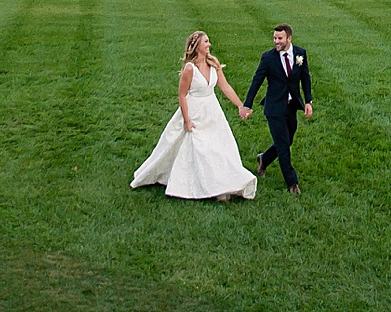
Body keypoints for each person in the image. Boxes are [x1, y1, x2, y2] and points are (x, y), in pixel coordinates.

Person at [131, 31, 258, 201]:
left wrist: (240, 106)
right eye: (206, 42)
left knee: (218, 147)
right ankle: (192, 183)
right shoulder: (189, 69)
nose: (209, 44)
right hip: (194, 111)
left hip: (212, 112)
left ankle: (220, 185)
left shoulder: (213, 63)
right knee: (199, 147)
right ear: (197, 45)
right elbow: (182, 95)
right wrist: (187, 120)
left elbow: (225, 86)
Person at [244, 22, 313, 194]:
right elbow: (257, 80)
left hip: (291, 106)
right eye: (274, 38)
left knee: (287, 140)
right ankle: (292, 182)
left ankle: (264, 159)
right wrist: (247, 104)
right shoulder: (268, 58)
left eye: (280, 38)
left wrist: (308, 101)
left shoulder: (300, 54)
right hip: (274, 107)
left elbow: (305, 78)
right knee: (283, 145)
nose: (276, 42)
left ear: (289, 38)